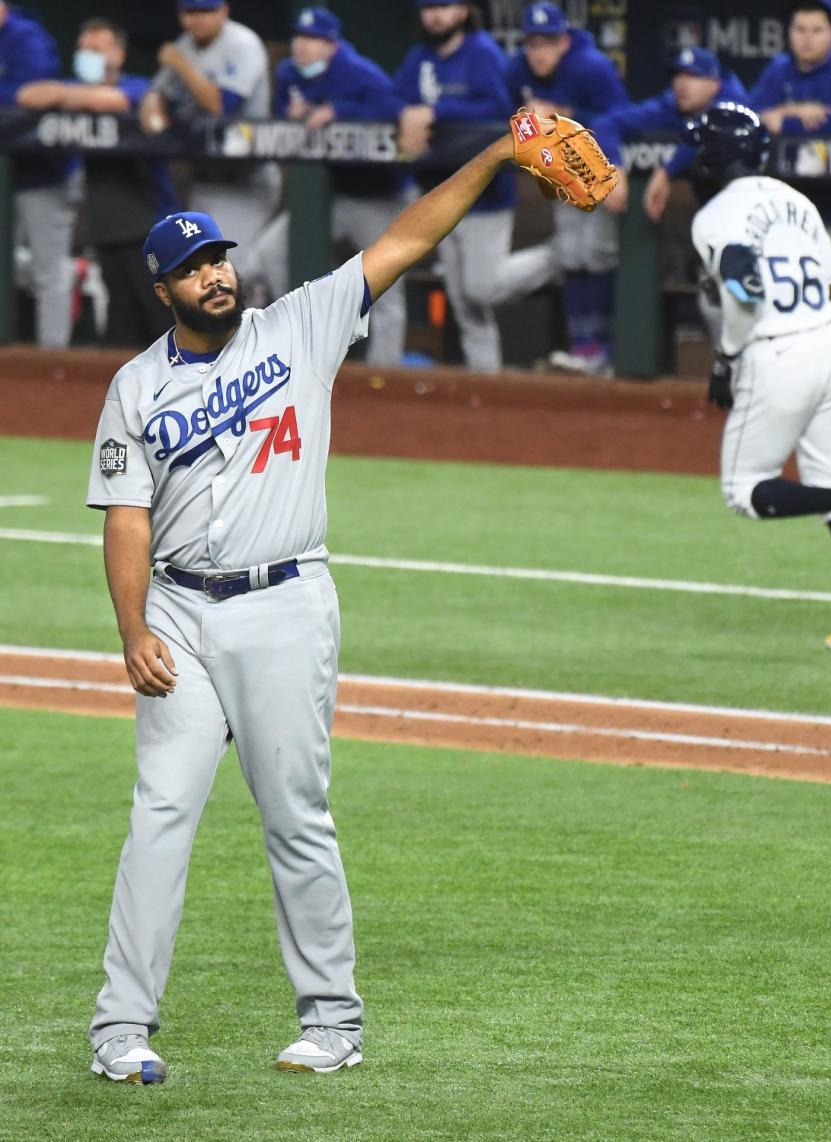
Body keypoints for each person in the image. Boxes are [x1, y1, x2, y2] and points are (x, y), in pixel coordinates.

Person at [85, 109, 552, 1083]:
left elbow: (410, 235)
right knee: (159, 811)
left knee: (295, 813)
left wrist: (502, 153)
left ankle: (333, 1022)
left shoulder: (299, 323)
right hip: (176, 610)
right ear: (162, 287)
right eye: (194, 266)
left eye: (220, 257)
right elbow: (125, 519)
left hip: (285, 604)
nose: (216, 273)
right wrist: (131, 627)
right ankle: (120, 1029)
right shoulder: (133, 387)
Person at [689, 104, 831, 651]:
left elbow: (744, 291)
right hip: (829, 346)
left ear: (717, 157)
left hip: (778, 354)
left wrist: (725, 359)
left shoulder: (715, 215)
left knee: (745, 491)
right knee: (825, 485)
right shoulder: (798, 201)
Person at [395, 0, 557, 371]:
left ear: (463, 11)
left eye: (445, 6)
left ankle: (556, 258)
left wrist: (437, 112)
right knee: (464, 303)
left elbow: (501, 111)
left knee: (480, 290)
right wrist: (404, 112)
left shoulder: (483, 52)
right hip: (440, 193)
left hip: (485, 192)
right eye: (428, 7)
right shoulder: (420, 55)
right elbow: (396, 95)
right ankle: (484, 381)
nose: (436, 14)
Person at [246, 7, 412, 366]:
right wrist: (289, 118)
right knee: (269, 254)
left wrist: (339, 111)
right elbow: (278, 116)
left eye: (313, 39)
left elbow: (395, 110)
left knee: (385, 289)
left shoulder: (359, 72)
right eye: (299, 37)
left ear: (332, 45)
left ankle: (387, 375)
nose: (302, 46)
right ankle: (296, 349)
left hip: (379, 196)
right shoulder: (289, 72)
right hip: (331, 196)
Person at [17, 17, 178, 347]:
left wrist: (69, 97)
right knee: (121, 333)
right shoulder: (76, 87)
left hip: (150, 227)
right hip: (108, 230)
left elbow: (111, 101)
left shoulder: (138, 86)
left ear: (117, 55)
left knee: (162, 324)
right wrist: (74, 93)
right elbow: (28, 96)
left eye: (96, 49)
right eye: (82, 49)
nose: (86, 55)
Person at [506, 1, 628, 375]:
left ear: (564, 41)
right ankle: (584, 349)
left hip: (603, 163)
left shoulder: (591, 67)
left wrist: (557, 114)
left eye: (548, 42)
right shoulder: (517, 69)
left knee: (598, 253)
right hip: (563, 169)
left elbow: (620, 118)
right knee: (572, 253)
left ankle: (606, 351)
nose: (539, 51)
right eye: (533, 43)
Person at [749, 0, 831, 323]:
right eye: (800, 29)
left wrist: (782, 119)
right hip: (786, 217)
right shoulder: (779, 69)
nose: (807, 38)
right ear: (789, 32)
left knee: (829, 314)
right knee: (781, 311)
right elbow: (750, 119)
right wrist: (797, 113)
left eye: (817, 30)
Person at [139, 0, 279, 278]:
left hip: (246, 180)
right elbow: (156, 96)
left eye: (205, 11)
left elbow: (220, 106)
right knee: (198, 269)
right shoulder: (185, 44)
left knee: (232, 270)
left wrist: (181, 64)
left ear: (224, 11)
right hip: (202, 180)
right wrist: (154, 108)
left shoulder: (243, 43)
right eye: (190, 12)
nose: (197, 19)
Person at [0, 1, 81, 347]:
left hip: (42, 174)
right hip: (8, 174)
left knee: (50, 272)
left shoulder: (26, 37)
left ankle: (54, 357)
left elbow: (39, 95)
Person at [593, 46, 749, 223]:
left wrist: (666, 173)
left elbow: (705, 132)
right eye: (679, 75)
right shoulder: (672, 104)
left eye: (693, 76)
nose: (682, 84)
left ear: (715, 84)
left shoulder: (735, 104)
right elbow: (605, 125)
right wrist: (614, 169)